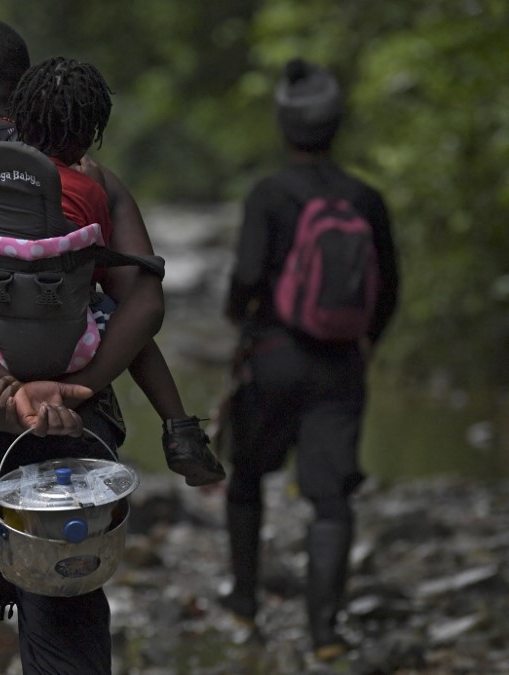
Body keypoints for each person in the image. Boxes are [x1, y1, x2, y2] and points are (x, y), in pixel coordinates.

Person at [0, 55, 223, 637]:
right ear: (93, 132)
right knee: (119, 310)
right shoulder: (97, 188)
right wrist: (85, 383)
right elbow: (144, 302)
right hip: (76, 361)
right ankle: (179, 426)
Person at [220, 58, 399, 662]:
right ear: (336, 125)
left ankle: (243, 604)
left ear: (284, 125)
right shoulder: (366, 198)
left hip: (273, 357)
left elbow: (246, 275)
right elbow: (388, 289)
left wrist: (237, 316)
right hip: (341, 365)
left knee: (246, 477)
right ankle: (324, 634)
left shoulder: (269, 195)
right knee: (331, 500)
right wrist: (364, 340)